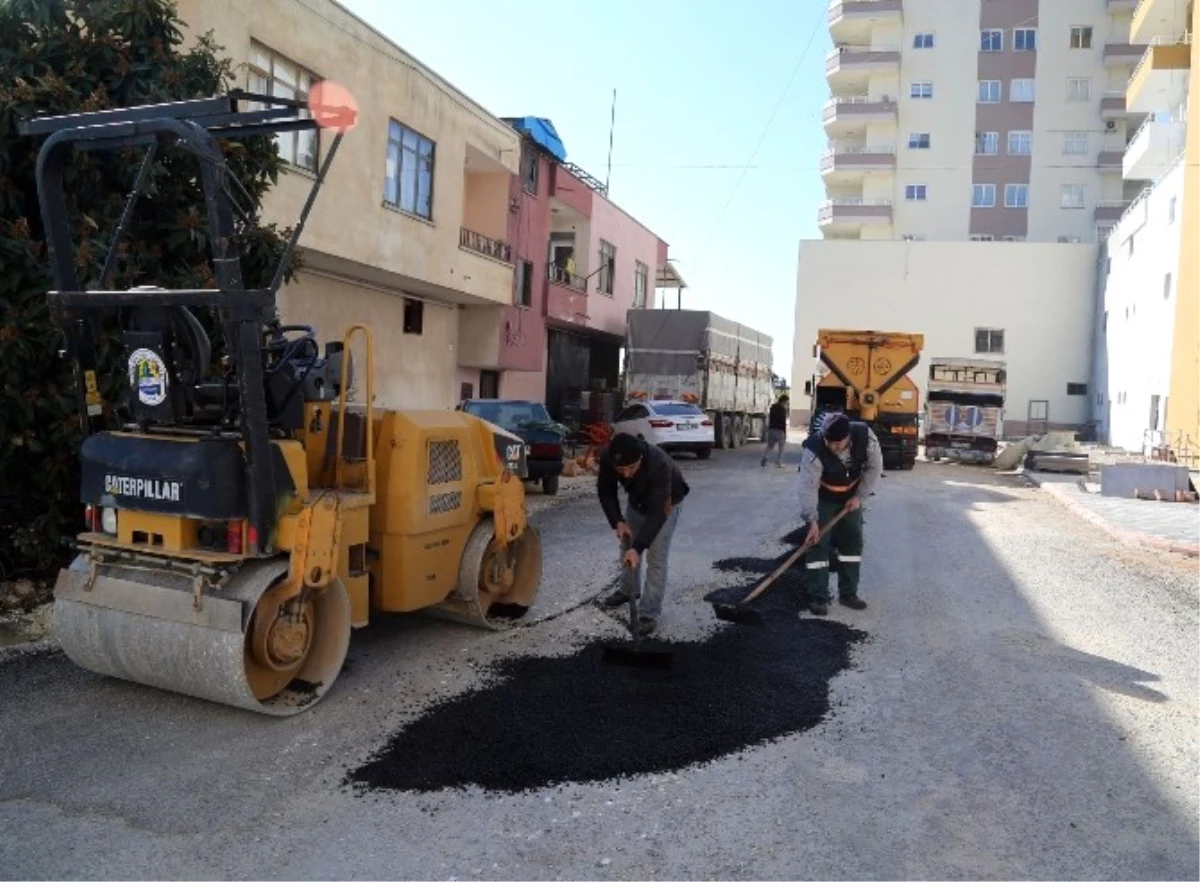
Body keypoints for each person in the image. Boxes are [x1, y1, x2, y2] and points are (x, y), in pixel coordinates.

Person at [597, 432, 690, 635]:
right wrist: (618, 522)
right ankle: (628, 590)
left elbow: (658, 513)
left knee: (656, 557)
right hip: (637, 502)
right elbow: (605, 491)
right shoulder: (607, 458)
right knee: (626, 546)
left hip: (667, 504)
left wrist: (639, 548)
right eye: (621, 470)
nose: (627, 474)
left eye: (631, 468)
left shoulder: (658, 463)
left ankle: (649, 613)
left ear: (640, 459)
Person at [796, 412, 882, 616]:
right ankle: (818, 596)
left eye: (838, 443)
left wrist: (859, 496)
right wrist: (812, 520)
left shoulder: (865, 437)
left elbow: (874, 468)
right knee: (817, 543)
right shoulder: (814, 449)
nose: (833, 447)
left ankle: (848, 594)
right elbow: (807, 486)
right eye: (829, 442)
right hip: (823, 496)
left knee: (852, 541)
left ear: (848, 437)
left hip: (851, 497)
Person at [762, 394, 790, 468]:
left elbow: (770, 417)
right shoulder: (782, 409)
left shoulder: (773, 407)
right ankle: (778, 462)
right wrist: (785, 433)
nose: (787, 404)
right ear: (784, 401)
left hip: (772, 429)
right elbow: (783, 421)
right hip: (780, 431)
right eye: (786, 402)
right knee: (781, 447)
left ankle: (765, 456)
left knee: (770, 446)